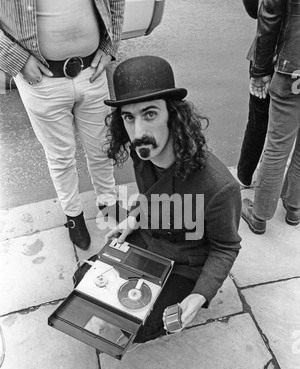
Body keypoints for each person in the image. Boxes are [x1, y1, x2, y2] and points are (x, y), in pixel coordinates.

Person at [103, 56, 242, 343]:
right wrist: (132, 218)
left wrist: (200, 294)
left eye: (150, 114)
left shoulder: (219, 186)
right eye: (129, 117)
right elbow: (150, 199)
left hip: (185, 263)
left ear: (173, 116)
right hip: (150, 241)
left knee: (138, 328)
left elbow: (226, 247)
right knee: (88, 284)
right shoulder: (143, 153)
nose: (138, 132)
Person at [0, 0, 126, 250]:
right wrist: (15, 58)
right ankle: (73, 216)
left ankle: (108, 203)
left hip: (92, 70)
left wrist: (110, 44)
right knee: (60, 157)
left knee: (102, 147)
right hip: (41, 81)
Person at [242, 0, 300, 234]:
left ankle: (260, 215)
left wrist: (260, 70)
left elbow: (269, 16)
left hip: (293, 67)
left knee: (277, 145)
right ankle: (294, 206)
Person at [237, 0, 270, 187]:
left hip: (269, 56)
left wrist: (260, 70)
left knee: (259, 119)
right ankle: (292, 200)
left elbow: (257, 12)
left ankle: (245, 176)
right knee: (290, 124)